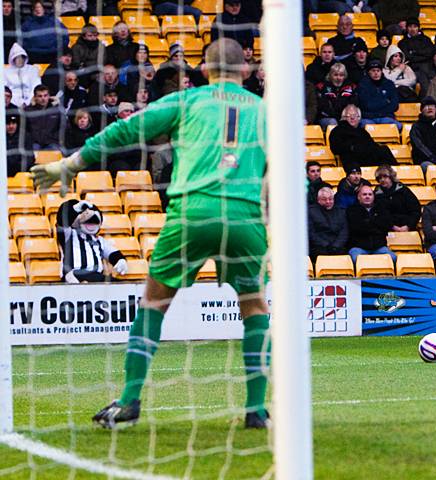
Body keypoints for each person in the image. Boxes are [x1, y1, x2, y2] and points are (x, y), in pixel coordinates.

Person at [32, 38, 273, 429]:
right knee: (255, 309)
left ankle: (129, 401)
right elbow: (294, 175)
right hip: (245, 218)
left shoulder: (188, 100)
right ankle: (256, 410)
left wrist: (72, 164)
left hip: (191, 213)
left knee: (153, 304)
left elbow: (126, 130)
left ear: (203, 70)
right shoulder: (266, 110)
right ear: (245, 70)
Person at [56, 199, 128, 283]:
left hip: (96, 277)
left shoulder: (100, 241)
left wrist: (120, 260)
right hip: (74, 275)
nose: (91, 224)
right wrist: (74, 210)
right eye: (87, 221)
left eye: (95, 222)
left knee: (118, 285)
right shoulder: (70, 235)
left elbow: (112, 253)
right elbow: (62, 222)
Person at [328, 104, 397, 172]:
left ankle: (395, 173)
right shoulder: (337, 131)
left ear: (359, 118)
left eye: (355, 115)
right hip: (352, 160)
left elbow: (372, 145)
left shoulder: (362, 131)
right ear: (343, 117)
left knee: (384, 150)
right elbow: (335, 148)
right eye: (349, 115)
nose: (352, 118)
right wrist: (352, 147)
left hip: (368, 158)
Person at [346, 184, 396, 263]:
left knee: (393, 258)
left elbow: (387, 225)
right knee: (355, 259)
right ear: (359, 197)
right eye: (364, 194)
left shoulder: (381, 209)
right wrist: (375, 225)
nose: (367, 196)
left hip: (379, 247)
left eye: (370, 194)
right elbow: (356, 228)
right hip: (359, 248)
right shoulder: (351, 210)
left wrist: (367, 224)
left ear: (373, 196)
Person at [373, 165, 421, 232]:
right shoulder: (376, 195)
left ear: (391, 177)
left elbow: (416, 210)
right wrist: (392, 226)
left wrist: (408, 226)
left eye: (385, 177)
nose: (382, 180)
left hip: (408, 227)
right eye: (380, 178)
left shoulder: (403, 190)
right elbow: (378, 215)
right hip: (386, 230)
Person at [409, 96, 436, 170]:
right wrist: (431, 157)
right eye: (426, 106)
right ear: (421, 110)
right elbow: (419, 146)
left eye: (432, 105)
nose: (429, 108)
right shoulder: (417, 126)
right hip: (424, 160)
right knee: (429, 167)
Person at [356, 59, 401, 129]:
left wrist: (376, 104)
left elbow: (395, 105)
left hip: (386, 117)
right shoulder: (363, 85)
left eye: (378, 70)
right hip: (368, 118)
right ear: (368, 72)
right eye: (373, 71)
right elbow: (366, 105)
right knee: (364, 126)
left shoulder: (389, 84)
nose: (376, 73)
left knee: (398, 126)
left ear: (381, 71)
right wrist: (385, 101)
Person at [308, 186, 349, 261]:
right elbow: (312, 234)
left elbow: (344, 232)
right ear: (318, 200)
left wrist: (336, 245)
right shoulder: (311, 211)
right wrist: (325, 245)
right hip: (319, 247)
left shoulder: (341, 211)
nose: (328, 202)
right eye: (324, 199)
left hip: (338, 247)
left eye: (330, 199)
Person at [315, 62, 357, 129]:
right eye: (335, 75)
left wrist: (345, 115)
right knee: (333, 122)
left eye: (341, 75)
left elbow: (354, 103)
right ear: (330, 75)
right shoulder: (322, 87)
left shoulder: (351, 87)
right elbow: (322, 106)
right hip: (327, 117)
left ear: (345, 76)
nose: (338, 78)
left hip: (346, 116)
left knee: (352, 119)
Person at [24, 84, 66, 150]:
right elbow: (24, 129)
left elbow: (64, 127)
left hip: (52, 142)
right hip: (34, 143)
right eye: (40, 96)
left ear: (49, 96)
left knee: (54, 149)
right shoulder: (28, 111)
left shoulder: (57, 110)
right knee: (32, 150)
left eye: (45, 95)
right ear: (35, 97)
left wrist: (55, 138)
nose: (43, 98)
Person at [3, 43, 41, 107]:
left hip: (32, 101)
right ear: (13, 58)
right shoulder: (5, 71)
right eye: (17, 58)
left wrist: (28, 101)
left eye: (22, 57)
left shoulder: (33, 69)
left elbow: (36, 86)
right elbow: (5, 90)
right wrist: (17, 103)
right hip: (12, 102)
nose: (20, 60)